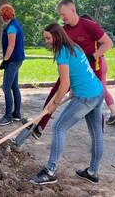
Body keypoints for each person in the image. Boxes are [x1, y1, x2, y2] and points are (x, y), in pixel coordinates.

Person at [32, 0, 115, 139]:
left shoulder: (90, 26)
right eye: (60, 15)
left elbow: (108, 43)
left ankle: (99, 135)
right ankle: (39, 126)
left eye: (64, 14)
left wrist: (93, 56)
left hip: (90, 71)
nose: (62, 17)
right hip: (70, 71)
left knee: (94, 103)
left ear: (73, 10)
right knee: (54, 94)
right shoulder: (64, 30)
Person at [30, 23, 104, 185]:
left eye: (48, 38)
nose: (46, 41)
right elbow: (80, 71)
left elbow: (64, 84)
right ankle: (92, 172)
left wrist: (54, 104)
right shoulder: (74, 46)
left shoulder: (62, 52)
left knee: (58, 127)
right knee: (97, 134)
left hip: (86, 97)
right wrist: (74, 90)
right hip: (97, 91)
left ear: (57, 36)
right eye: (45, 38)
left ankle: (50, 171)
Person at [0, 4, 25, 126]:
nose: (0, 18)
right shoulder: (14, 24)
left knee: (6, 87)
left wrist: (5, 58)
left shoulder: (12, 27)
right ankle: (16, 114)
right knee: (14, 87)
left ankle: (8, 116)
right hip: (16, 59)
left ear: (4, 16)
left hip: (13, 60)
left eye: (1, 15)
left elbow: (11, 45)